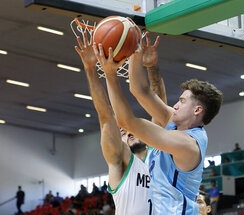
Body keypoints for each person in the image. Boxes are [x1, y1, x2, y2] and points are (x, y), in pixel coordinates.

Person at [95, 31, 223, 214]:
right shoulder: (176, 123)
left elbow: (126, 121)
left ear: (197, 111)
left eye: (182, 101)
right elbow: (140, 90)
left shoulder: (186, 145)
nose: (176, 105)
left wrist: (110, 74)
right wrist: (140, 57)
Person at [74, 30, 165, 214]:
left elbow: (160, 106)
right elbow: (106, 119)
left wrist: (151, 66)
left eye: (130, 130)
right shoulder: (119, 163)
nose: (129, 133)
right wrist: (91, 69)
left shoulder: (157, 155)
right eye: (122, 133)